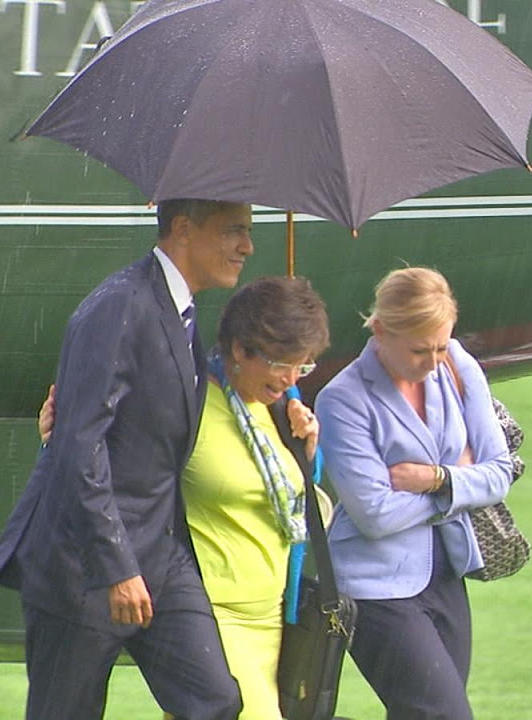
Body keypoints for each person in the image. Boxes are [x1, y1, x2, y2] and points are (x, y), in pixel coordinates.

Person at [0, 199, 255, 720]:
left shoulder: (182, 315)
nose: (246, 246)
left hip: (160, 556)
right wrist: (116, 568)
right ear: (182, 229)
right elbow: (79, 447)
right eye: (233, 231)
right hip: (80, 565)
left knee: (216, 701)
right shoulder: (118, 306)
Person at [39, 276, 330, 720]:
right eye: (280, 363)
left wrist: (305, 453)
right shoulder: (188, 406)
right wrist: (55, 441)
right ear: (239, 350)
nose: (291, 378)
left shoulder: (276, 408)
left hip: (273, 620)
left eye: (303, 365)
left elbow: (299, 512)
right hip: (212, 616)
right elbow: (111, 468)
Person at [314, 266, 515, 720]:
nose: (433, 362)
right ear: (381, 331)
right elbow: (374, 516)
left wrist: (436, 480)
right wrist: (462, 484)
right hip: (375, 585)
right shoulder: (342, 399)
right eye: (420, 350)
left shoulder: (457, 365)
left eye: (441, 346)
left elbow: (500, 472)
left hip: (447, 573)